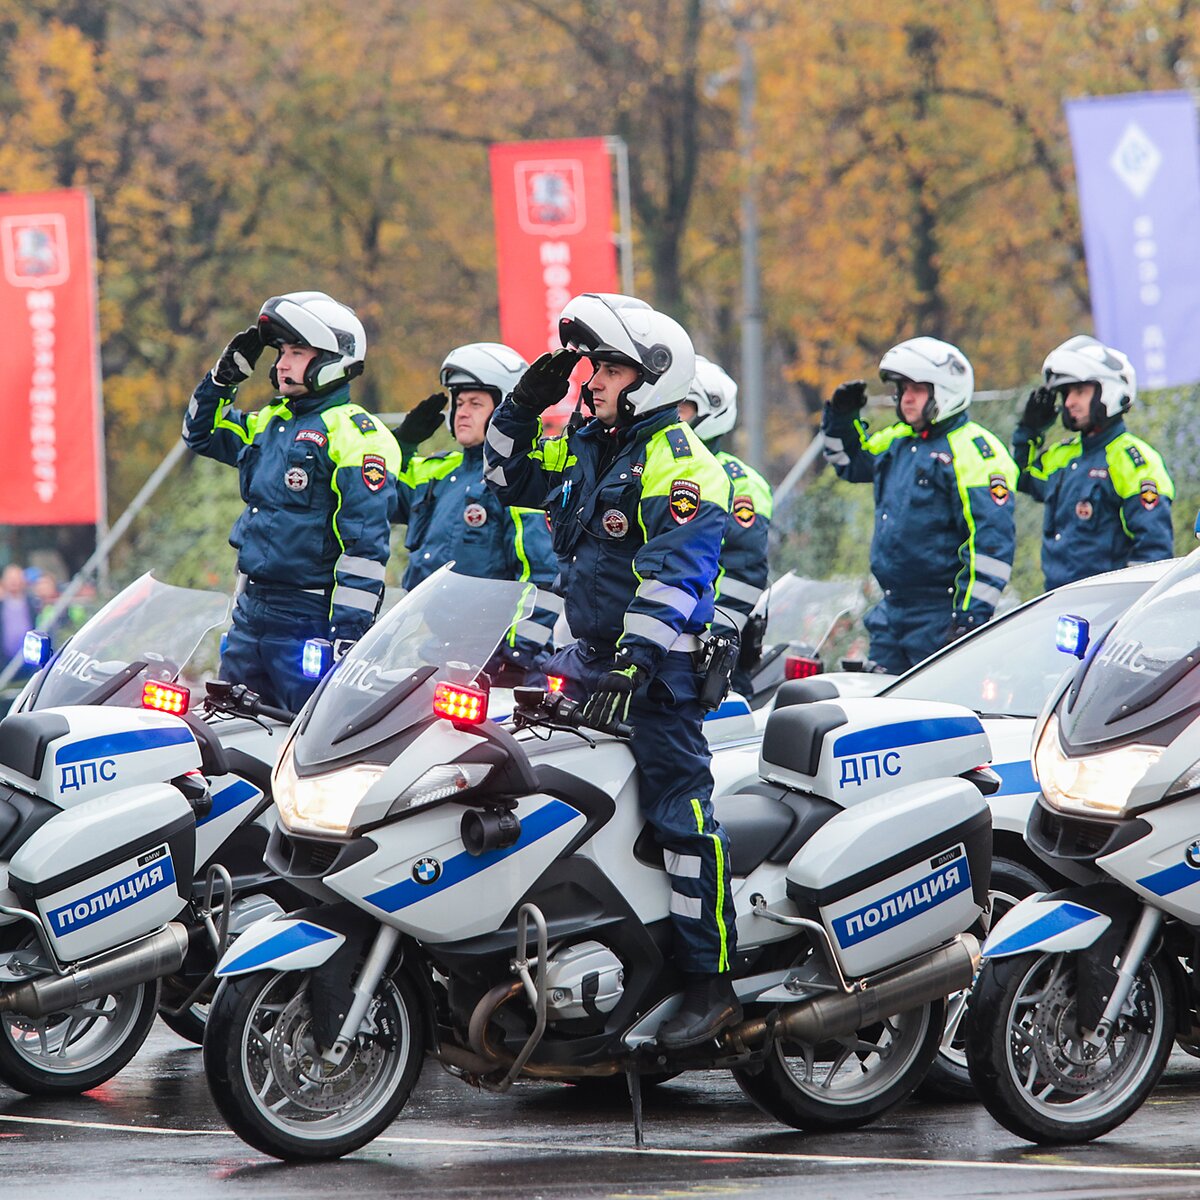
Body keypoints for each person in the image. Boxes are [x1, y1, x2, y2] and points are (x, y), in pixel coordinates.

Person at [484, 292, 740, 1049]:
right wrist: (522, 405)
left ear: (654, 377)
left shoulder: (683, 463)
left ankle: (709, 980)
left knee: (680, 820)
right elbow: (505, 478)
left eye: (611, 367)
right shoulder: (589, 446)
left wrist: (635, 658)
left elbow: (673, 575)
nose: (592, 379)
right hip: (587, 660)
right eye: (591, 365)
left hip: (656, 679)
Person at [183, 291, 401, 713]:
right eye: (281, 352)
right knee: (231, 731)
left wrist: (347, 636)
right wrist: (222, 379)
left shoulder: (359, 436)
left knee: (301, 741)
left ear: (331, 359)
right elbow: (200, 433)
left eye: (296, 352)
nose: (281, 363)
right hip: (251, 611)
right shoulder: (270, 422)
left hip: (310, 616)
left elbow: (365, 549)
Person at [822, 337, 1017, 674]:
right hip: (891, 610)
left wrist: (970, 618)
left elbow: (991, 543)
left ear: (944, 391)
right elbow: (848, 462)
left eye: (916, 389)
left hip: (942, 615)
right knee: (882, 715)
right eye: (902, 389)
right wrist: (842, 418)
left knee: (933, 718)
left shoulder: (976, 450)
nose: (906, 398)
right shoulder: (898, 440)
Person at [390, 343, 559, 678]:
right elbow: (379, 499)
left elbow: (544, 578)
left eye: (476, 403)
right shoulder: (436, 471)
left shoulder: (519, 480)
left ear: (504, 408)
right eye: (459, 402)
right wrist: (402, 446)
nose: (462, 412)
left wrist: (516, 654)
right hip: (438, 652)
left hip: (500, 661)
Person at [1012, 335, 1174, 591]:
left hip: (1107, 606)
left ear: (1108, 390)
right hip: (1056, 600)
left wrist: (1125, 609)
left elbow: (1153, 550)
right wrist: (1029, 431)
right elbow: (1019, 476)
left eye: (1079, 391)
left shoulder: (1135, 461)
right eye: (1065, 394)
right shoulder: (1063, 455)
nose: (1068, 402)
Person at [679, 355, 773, 695]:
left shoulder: (740, 482)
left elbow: (745, 571)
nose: (674, 417)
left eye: (683, 409)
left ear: (712, 410)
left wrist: (716, 637)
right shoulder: (661, 466)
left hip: (710, 650)